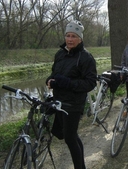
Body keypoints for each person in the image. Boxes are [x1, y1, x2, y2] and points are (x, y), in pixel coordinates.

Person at [46, 20, 97, 169]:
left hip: (73, 104)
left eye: (73, 36)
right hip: (58, 101)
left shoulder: (86, 57)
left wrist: (67, 82)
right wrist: (49, 80)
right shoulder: (60, 54)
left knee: (69, 138)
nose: (69, 39)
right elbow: (55, 73)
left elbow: (90, 83)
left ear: (80, 38)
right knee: (70, 136)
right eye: (67, 35)